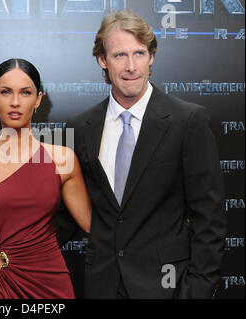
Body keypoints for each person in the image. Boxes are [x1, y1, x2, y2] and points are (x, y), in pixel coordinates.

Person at [67, 10, 226, 298]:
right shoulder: (81, 128)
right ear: (102, 60)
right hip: (101, 284)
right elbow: (67, 215)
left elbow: (209, 218)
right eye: (119, 56)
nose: (131, 66)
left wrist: (197, 290)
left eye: (139, 53)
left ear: (151, 56)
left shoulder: (187, 121)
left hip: (167, 287)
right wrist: (8, 255)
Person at [0, 58, 91, 299]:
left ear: (38, 99)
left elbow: (95, 226)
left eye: (25, 93)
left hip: (50, 285)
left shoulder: (63, 159)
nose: (15, 102)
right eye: (5, 92)